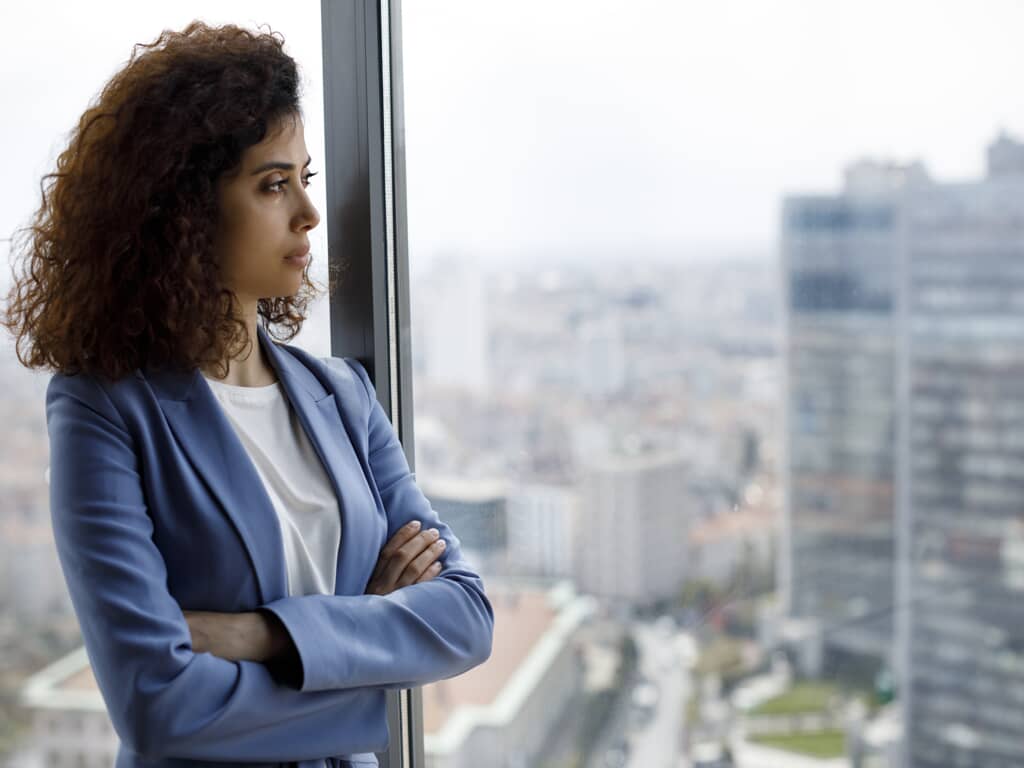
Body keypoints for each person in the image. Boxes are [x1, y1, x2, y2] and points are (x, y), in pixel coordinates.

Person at [1, 20, 493, 768]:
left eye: (306, 178)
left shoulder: (342, 395)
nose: (308, 214)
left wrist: (264, 634)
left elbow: (466, 617)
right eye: (272, 185)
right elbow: (158, 705)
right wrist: (375, 659)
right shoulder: (104, 410)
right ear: (185, 214)